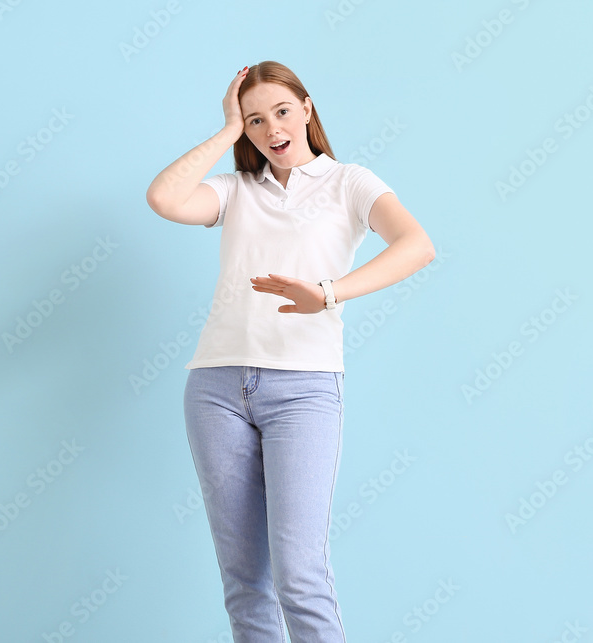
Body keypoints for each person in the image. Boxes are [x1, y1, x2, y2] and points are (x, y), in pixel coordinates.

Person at [146, 61, 435, 642]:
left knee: (298, 572)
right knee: (243, 579)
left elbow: (417, 245)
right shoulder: (235, 190)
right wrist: (227, 131)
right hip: (216, 388)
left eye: (281, 111)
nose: (271, 128)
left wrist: (327, 293)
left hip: (303, 388)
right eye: (256, 120)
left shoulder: (350, 182)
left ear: (307, 108)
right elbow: (165, 198)